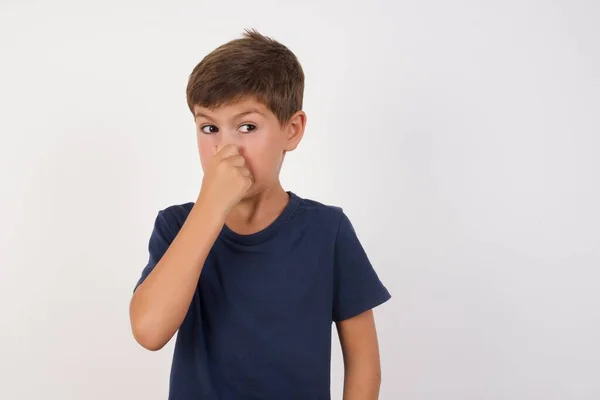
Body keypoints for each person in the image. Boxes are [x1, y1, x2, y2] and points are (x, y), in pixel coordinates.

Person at [129, 28, 391, 400]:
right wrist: (211, 205)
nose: (225, 148)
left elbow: (364, 362)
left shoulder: (327, 231)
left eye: (247, 127)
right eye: (209, 128)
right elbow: (149, 331)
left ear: (292, 130)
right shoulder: (176, 226)